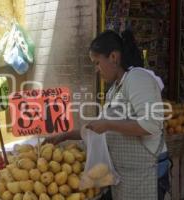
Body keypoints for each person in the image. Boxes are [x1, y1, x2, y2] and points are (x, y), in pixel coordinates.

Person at [44, 30, 170, 200]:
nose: (96, 69)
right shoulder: (114, 90)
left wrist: (109, 125)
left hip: (146, 173)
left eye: (97, 63)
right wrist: (65, 135)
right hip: (126, 177)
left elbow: (152, 125)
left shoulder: (137, 78)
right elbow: (98, 126)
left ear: (113, 57)